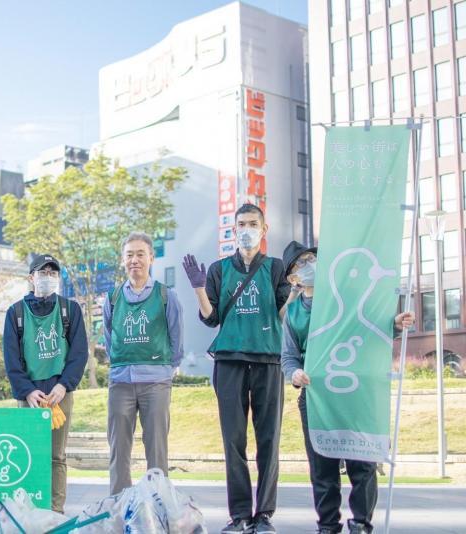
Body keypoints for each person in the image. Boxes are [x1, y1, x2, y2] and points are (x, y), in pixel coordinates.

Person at [280, 241, 415, 534]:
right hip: (316, 398)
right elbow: (288, 358)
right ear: (293, 279)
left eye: (312, 258)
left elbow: (368, 327)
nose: (309, 264)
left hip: (353, 392)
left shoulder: (344, 299)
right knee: (322, 467)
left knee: (361, 463)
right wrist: (296, 374)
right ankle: (328, 525)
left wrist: (393, 324)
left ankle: (361, 523)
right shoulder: (292, 315)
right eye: (302, 263)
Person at [182, 203, 291, 534]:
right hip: (229, 361)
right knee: (233, 440)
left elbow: (282, 314)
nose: (246, 228)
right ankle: (240, 514)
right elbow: (211, 317)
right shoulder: (218, 269)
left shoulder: (275, 268)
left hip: (267, 360)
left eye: (252, 223)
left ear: (263, 229)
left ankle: (265, 515)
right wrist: (199, 288)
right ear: (233, 229)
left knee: (268, 440)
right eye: (241, 223)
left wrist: (297, 290)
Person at [2, 254, 88, 513]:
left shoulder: (70, 309)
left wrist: (64, 385)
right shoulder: (15, 312)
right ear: (31, 278)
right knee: (28, 454)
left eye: (53, 273)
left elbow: (79, 353)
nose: (48, 277)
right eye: (43, 272)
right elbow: (11, 359)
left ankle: (55, 511)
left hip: (60, 393)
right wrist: (27, 391)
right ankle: (29, 510)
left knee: (56, 456)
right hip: (29, 394)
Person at [103, 232, 184, 495]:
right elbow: (109, 337)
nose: (134, 260)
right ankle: (118, 507)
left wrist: (166, 369)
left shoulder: (165, 295)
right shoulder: (113, 298)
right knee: (118, 452)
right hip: (121, 383)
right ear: (122, 260)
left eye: (140, 254)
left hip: (156, 383)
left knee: (157, 452)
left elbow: (176, 337)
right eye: (129, 255)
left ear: (151, 257)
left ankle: (158, 506)